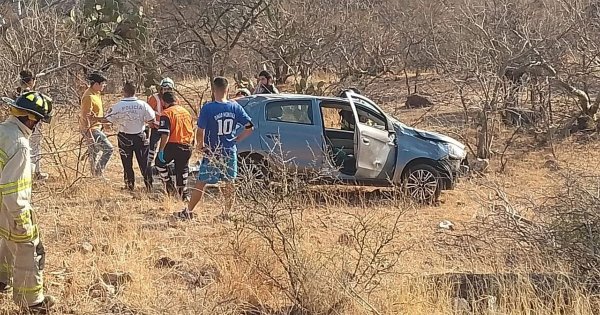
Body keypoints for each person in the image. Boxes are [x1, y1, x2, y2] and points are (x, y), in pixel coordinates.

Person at [0, 91, 56, 312]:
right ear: (31, 119)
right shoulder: (21, 144)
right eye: (38, 121)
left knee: (3, 241)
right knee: (30, 249)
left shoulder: (2, 131)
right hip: (9, 207)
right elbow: (14, 192)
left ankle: (1, 280)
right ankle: (32, 302)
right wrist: (23, 221)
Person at [174, 76, 254, 220]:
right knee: (229, 183)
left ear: (214, 90)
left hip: (212, 152)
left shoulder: (208, 108)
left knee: (201, 182)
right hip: (229, 151)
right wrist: (237, 139)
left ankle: (189, 211)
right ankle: (227, 213)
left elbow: (200, 130)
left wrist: (200, 145)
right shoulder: (235, 107)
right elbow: (250, 127)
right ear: (227, 89)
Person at [88, 81, 155, 191]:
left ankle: (129, 186)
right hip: (140, 136)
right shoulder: (143, 105)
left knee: (127, 163)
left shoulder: (118, 106)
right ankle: (149, 185)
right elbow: (152, 120)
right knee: (144, 162)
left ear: (124, 92)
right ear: (135, 92)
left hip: (124, 137)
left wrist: (94, 118)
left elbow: (107, 120)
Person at [155, 91, 194, 201]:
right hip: (187, 144)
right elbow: (192, 128)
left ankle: (168, 184)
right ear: (176, 100)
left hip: (173, 144)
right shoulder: (185, 111)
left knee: (159, 163)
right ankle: (183, 193)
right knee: (182, 168)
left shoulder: (166, 113)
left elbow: (165, 133)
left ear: (163, 101)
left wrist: (161, 150)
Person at [80, 72, 113, 178]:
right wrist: (89, 135)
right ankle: (98, 172)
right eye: (102, 84)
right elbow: (85, 117)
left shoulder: (96, 94)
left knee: (94, 152)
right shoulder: (88, 96)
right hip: (91, 129)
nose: (104, 86)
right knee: (108, 149)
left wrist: (104, 123)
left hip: (97, 127)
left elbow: (95, 115)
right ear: (95, 84)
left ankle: (95, 176)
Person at [17, 70, 48, 181]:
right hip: (31, 125)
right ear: (30, 81)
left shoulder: (19, 93)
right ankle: (35, 173)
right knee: (34, 149)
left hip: (21, 125)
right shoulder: (30, 94)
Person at [147, 78, 175, 173]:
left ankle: (163, 164)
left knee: (167, 147)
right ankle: (148, 165)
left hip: (168, 129)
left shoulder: (175, 100)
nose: (166, 91)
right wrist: (150, 123)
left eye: (169, 89)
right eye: (165, 89)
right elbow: (147, 111)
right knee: (152, 146)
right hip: (156, 127)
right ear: (161, 89)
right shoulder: (154, 98)